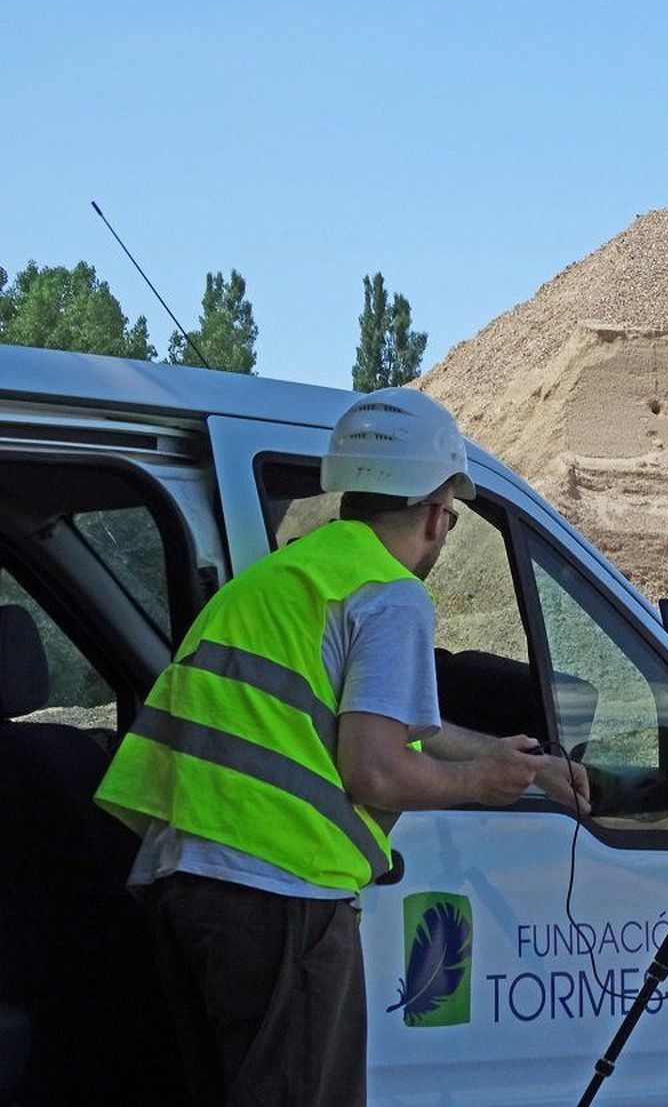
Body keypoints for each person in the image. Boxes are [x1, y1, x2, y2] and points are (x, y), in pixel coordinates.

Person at [95, 386, 589, 1107]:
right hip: (281, 891)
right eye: (450, 519)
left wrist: (527, 767)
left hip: (190, 882)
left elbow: (396, 723)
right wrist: (480, 782)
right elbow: (375, 769)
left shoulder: (284, 578)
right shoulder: (389, 593)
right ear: (437, 513)